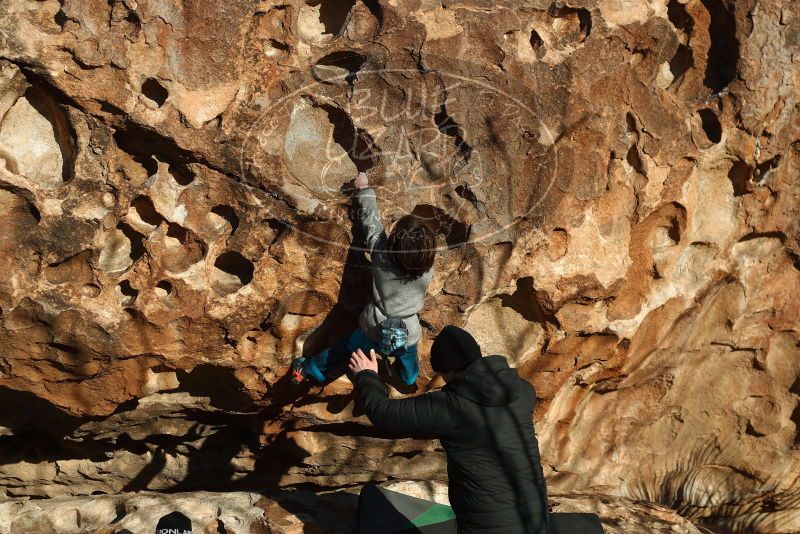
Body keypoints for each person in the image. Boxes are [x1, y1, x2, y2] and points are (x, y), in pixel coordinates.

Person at [349, 325, 550, 534]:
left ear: (450, 372)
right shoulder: (523, 392)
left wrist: (366, 375)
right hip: (534, 516)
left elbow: (384, 413)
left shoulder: (452, 407)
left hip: (487, 524)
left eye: (442, 374)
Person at [290, 171, 437, 386]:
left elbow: (372, 226)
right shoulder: (427, 268)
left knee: (344, 348)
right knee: (408, 356)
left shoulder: (383, 257)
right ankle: (409, 377)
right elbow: (421, 250)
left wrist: (364, 189)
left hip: (374, 326)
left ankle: (309, 370)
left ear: (393, 245)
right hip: (408, 331)